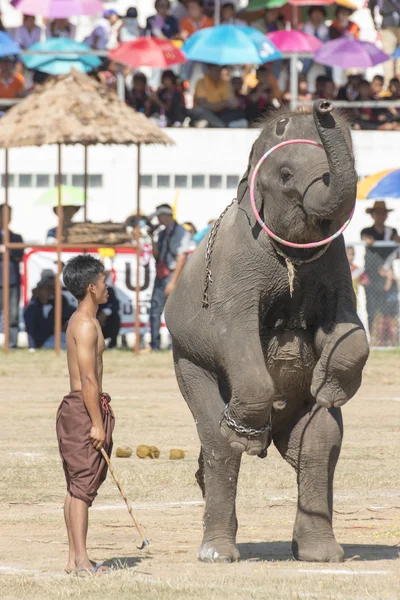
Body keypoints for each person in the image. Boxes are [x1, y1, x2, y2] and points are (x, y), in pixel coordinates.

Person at [56, 255, 115, 575]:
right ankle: (80, 562)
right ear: (92, 287)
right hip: (82, 408)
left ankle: (74, 560)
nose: (108, 286)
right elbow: (88, 378)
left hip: (82, 407)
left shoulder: (85, 321)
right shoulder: (84, 324)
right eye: (104, 281)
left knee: (75, 486)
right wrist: (96, 423)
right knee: (81, 489)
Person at [149, 204, 190, 350]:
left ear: (166, 215)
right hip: (162, 273)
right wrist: (151, 239)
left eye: (160, 216)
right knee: (155, 309)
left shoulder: (181, 232)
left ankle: (175, 347)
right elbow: (157, 256)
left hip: (173, 274)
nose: (158, 220)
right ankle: (155, 344)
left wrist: (173, 282)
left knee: (174, 312)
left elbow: (182, 257)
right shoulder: (162, 233)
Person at [361, 200, 400, 339]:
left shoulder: (392, 232)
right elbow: (365, 238)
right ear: (373, 215)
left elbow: (396, 252)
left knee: (390, 309)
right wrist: (368, 240)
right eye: (378, 213)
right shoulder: (367, 231)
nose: (381, 216)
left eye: (383, 213)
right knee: (372, 309)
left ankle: (390, 340)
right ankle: (373, 339)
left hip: (388, 275)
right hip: (372, 277)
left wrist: (397, 241)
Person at [23, 271, 74, 350]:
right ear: (39, 290)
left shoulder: (59, 300)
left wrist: (67, 324)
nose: (50, 291)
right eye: (47, 288)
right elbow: (31, 328)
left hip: (57, 335)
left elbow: (70, 312)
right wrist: (32, 347)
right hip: (43, 341)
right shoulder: (32, 307)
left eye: (52, 288)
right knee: (67, 347)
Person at [0, 205, 23, 348]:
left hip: (12, 280)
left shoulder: (16, 237)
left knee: (12, 314)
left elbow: (19, 255)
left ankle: (12, 344)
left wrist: (6, 249)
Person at [369, 0, 400, 85]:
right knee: (389, 55)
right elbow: (371, 5)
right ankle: (389, 84)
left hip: (388, 21)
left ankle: (391, 84)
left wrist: (374, 21)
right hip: (388, 21)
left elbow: (371, 5)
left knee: (391, 55)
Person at [301, 6, 329, 75]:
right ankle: (303, 78)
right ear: (311, 14)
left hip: (322, 54)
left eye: (319, 13)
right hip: (307, 54)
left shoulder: (326, 29)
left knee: (329, 65)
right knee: (306, 62)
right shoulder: (305, 28)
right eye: (315, 12)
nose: (317, 15)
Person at [97, 283, 120, 349]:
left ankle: (112, 343)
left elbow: (116, 305)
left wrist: (105, 313)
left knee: (115, 317)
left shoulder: (109, 290)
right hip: (92, 316)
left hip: (105, 321)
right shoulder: (88, 290)